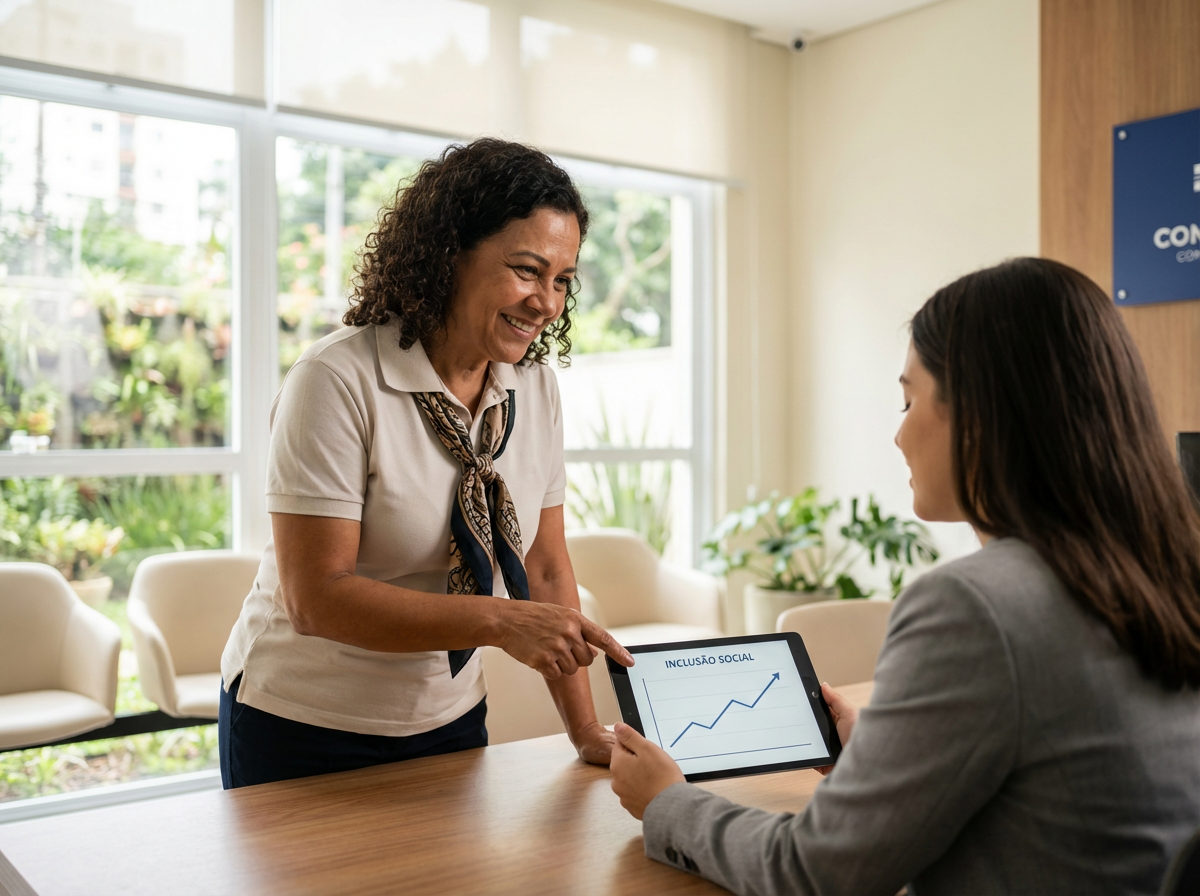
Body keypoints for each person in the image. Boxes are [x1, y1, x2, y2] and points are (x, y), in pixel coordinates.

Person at [609, 257, 1200, 894]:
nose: (897, 435)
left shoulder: (973, 606)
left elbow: (815, 873)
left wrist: (667, 802)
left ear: (979, 413)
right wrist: (892, 759)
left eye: (909, 399)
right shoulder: (1166, 574)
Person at [219, 138, 633, 789]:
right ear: (449, 255)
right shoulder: (337, 378)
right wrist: (500, 622)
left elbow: (547, 566)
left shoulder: (534, 388)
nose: (547, 303)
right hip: (304, 723)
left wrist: (583, 730)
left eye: (562, 281)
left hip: (450, 718)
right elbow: (315, 599)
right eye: (527, 270)